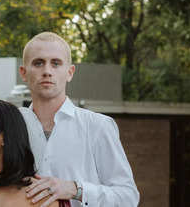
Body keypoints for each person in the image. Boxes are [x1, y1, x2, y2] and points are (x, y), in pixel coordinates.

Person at [18, 32, 139, 207]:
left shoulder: (98, 127)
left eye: (56, 63)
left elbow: (128, 198)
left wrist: (76, 189)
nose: (47, 71)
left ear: (70, 72)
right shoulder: (10, 127)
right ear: (23, 72)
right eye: (38, 63)